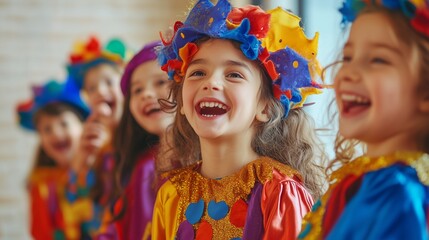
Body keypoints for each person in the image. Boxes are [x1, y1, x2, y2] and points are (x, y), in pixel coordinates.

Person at [152, 0, 327, 239]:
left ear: (265, 107)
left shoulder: (279, 193)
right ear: (182, 103)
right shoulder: (171, 194)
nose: (211, 82)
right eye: (198, 72)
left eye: (234, 74)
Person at [299, 0, 429, 239]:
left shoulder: (396, 192)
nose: (349, 73)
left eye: (378, 60)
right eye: (348, 58)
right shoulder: (364, 181)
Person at [66, 36, 129, 238]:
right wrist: (82, 160)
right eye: (91, 88)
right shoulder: (93, 145)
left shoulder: (139, 141)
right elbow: (75, 201)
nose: (100, 91)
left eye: (109, 82)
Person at [112, 41, 174, 240]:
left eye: (160, 82)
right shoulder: (143, 167)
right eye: (137, 90)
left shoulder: (211, 160)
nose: (146, 94)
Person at [17, 78, 90, 240]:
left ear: (83, 126)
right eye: (47, 129)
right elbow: (40, 233)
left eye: (64, 124)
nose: (56, 133)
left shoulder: (102, 167)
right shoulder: (41, 185)